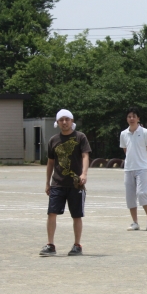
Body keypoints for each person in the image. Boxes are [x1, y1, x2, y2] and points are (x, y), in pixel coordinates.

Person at [40, 109, 91, 257]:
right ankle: (50, 245)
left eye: (67, 119)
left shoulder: (80, 137)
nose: (64, 122)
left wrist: (84, 173)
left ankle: (77, 245)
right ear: (57, 122)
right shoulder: (53, 140)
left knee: (76, 215)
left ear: (72, 121)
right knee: (51, 213)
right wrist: (47, 182)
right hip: (58, 183)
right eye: (61, 120)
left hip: (76, 183)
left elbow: (85, 156)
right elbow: (50, 162)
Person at [120, 107, 147, 231]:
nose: (132, 119)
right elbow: (125, 150)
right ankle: (135, 222)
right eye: (129, 116)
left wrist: (143, 160)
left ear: (138, 118)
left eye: (134, 116)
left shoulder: (145, 132)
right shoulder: (124, 133)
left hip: (142, 168)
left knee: (141, 193)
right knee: (130, 196)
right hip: (128, 168)